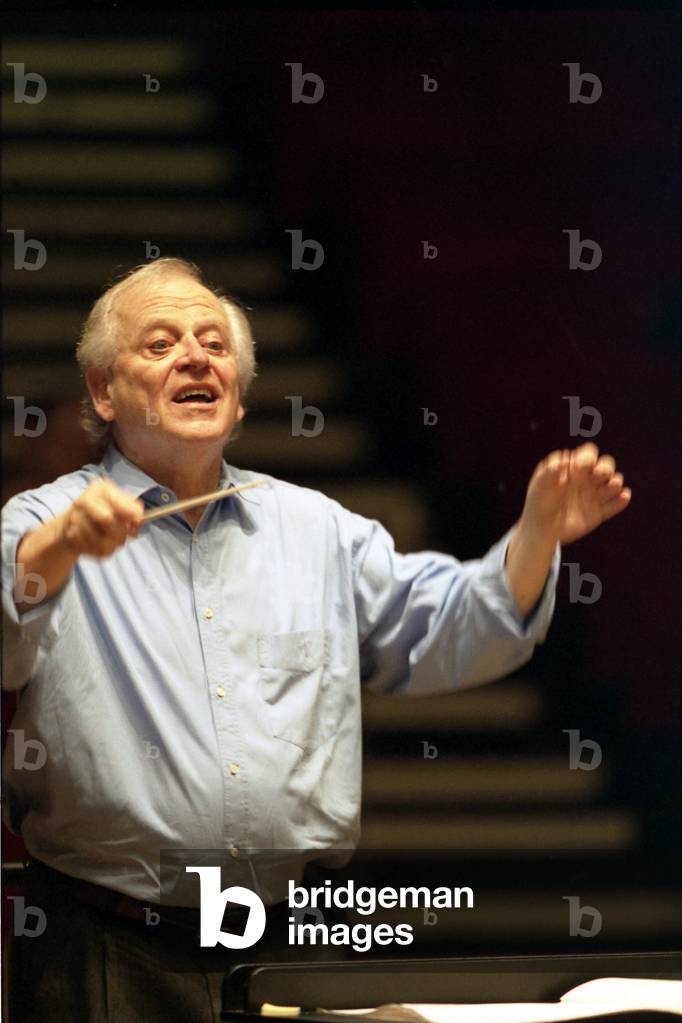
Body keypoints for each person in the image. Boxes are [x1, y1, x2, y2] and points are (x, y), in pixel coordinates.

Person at [2, 258, 631, 1021]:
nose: (197, 357)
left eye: (214, 343)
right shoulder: (42, 521)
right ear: (104, 390)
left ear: (236, 395)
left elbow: (447, 626)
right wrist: (57, 552)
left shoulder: (317, 528)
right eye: (162, 344)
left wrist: (535, 533)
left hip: (286, 940)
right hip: (104, 944)